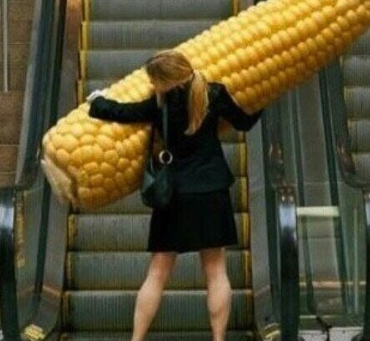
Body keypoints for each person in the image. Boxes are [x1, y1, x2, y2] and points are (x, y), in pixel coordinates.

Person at [86, 49, 262, 341]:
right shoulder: (214, 93)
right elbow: (244, 122)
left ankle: (137, 339)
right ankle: (218, 339)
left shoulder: (162, 104)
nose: (153, 86)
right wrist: (264, 100)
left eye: (155, 81)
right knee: (216, 271)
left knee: (157, 273)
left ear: (166, 81)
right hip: (211, 190)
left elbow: (125, 113)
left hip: (175, 195)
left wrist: (97, 101)